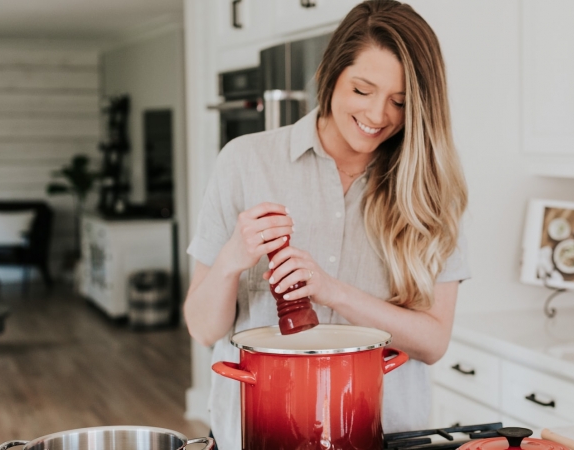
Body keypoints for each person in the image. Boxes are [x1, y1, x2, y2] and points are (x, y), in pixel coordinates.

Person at [183, 1, 469, 449]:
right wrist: (230, 261)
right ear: (331, 75)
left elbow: (433, 342)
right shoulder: (245, 161)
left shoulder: (430, 190)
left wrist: (331, 289)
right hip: (256, 433)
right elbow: (201, 329)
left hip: (384, 435)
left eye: (399, 101)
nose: (378, 115)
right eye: (362, 90)